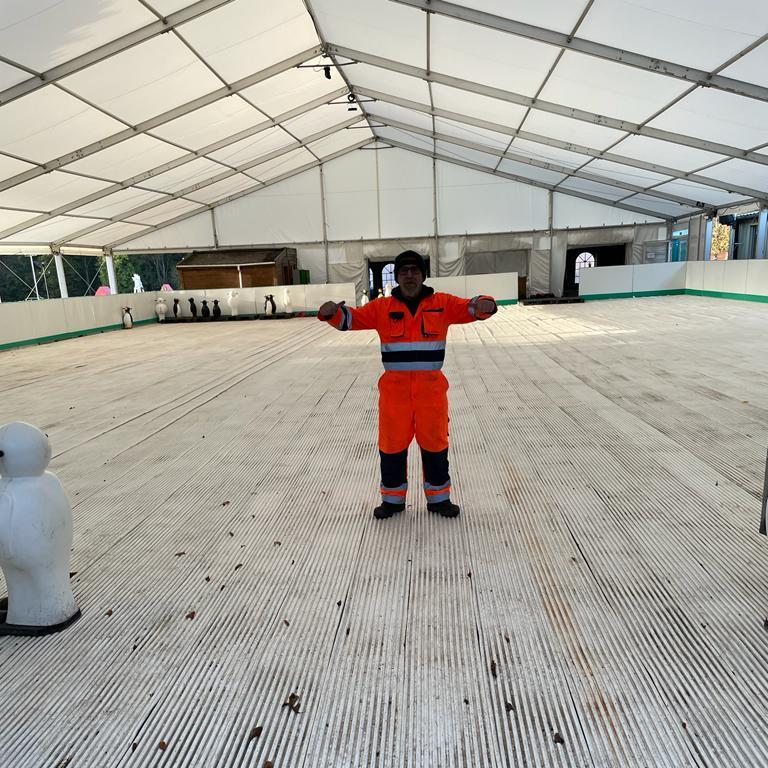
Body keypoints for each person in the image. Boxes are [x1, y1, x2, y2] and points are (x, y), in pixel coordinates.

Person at [318, 250, 497, 519]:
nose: (410, 275)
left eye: (415, 270)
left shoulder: (442, 304)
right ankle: (392, 501)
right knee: (391, 447)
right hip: (394, 395)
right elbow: (351, 319)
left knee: (435, 445)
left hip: (431, 393)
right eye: (404, 271)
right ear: (397, 276)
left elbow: (472, 307)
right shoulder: (382, 308)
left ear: (423, 275)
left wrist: (487, 304)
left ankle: (439, 499)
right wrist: (331, 313)